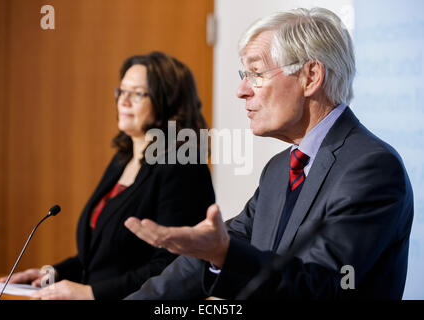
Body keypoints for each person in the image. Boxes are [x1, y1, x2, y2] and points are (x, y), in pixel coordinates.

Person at [124, 8, 414, 299]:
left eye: (256, 73)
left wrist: (225, 255)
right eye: (244, 75)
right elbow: (219, 249)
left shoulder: (372, 169)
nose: (241, 90)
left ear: (310, 76)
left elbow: (322, 284)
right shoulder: (280, 168)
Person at [0, 51, 215, 300]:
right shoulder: (122, 160)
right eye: (121, 92)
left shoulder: (181, 168)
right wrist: (52, 273)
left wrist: (93, 293)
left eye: (137, 94)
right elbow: (102, 257)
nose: (123, 101)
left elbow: (174, 266)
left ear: (168, 101)